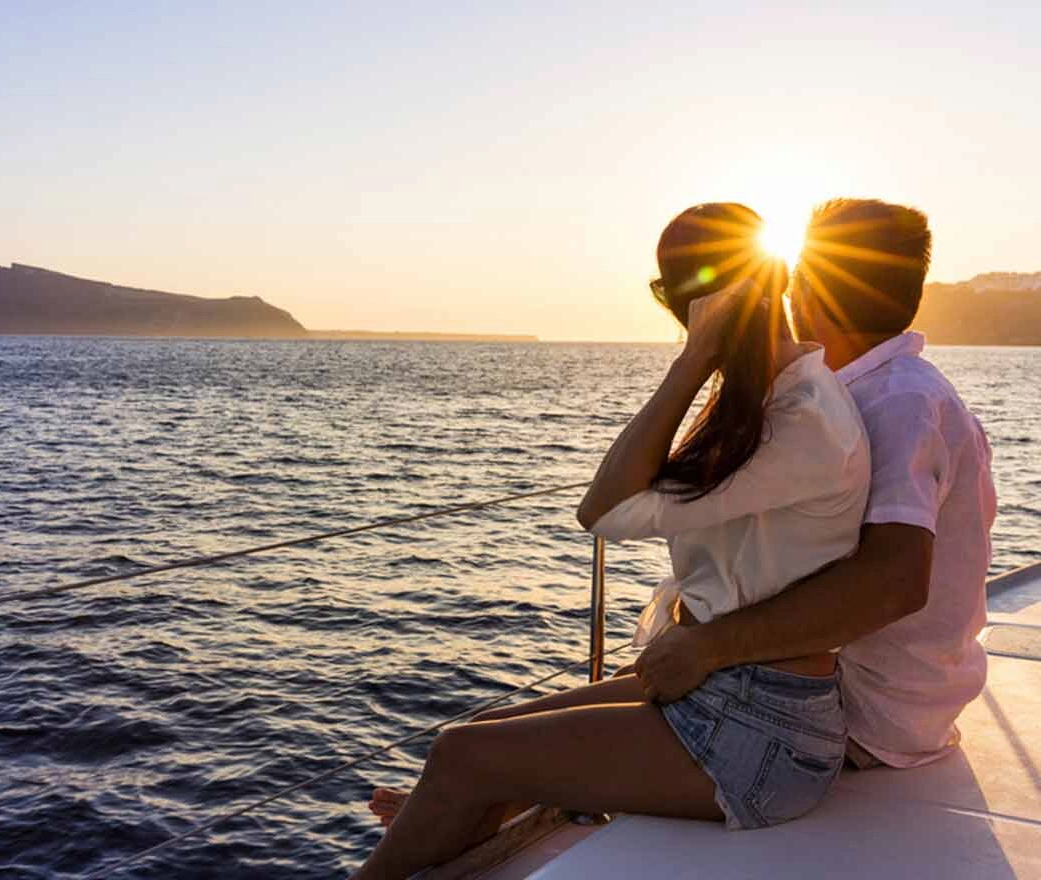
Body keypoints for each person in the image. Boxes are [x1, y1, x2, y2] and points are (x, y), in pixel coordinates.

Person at [353, 203, 871, 880]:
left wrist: (692, 359)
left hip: (763, 735)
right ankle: (454, 815)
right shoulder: (772, 400)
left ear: (687, 304)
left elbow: (605, 509)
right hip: (731, 698)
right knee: (468, 763)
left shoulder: (799, 420)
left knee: (461, 756)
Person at [632, 199, 996, 770]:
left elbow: (894, 582)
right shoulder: (881, 391)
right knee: (514, 740)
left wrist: (709, 647)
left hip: (857, 712)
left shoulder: (900, 403)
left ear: (808, 290)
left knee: (503, 756)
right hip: (856, 694)